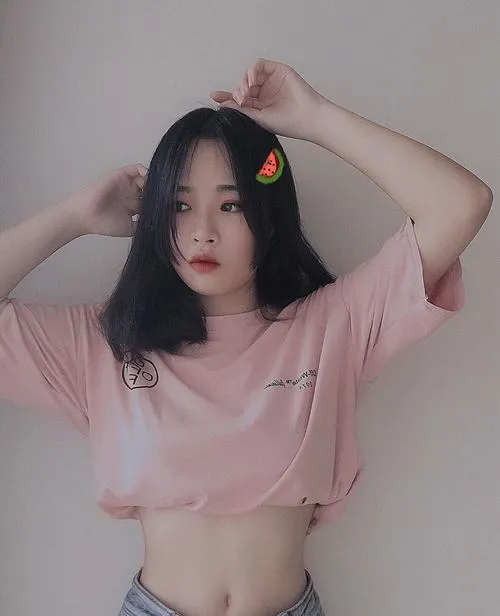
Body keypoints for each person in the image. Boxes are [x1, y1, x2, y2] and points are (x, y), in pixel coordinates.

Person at [0, 58, 492, 616]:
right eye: (180, 205)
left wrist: (316, 119)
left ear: (267, 215)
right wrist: (75, 216)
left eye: (230, 204)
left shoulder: (332, 327)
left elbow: (462, 204)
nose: (202, 231)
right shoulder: (110, 343)